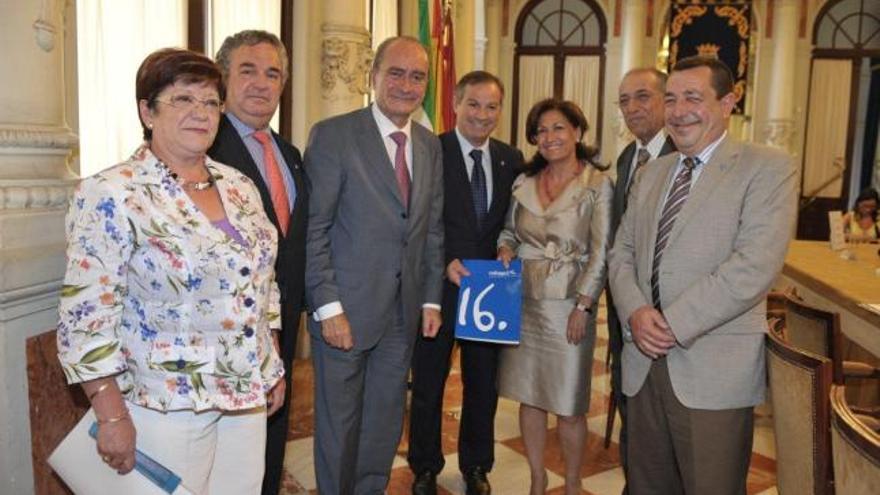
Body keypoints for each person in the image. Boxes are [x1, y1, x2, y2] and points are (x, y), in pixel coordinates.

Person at [56, 48, 285, 494]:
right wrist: (111, 414)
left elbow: (263, 281)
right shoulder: (112, 193)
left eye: (211, 102)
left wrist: (270, 362)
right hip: (164, 404)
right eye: (183, 100)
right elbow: (85, 318)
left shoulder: (239, 186)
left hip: (244, 400)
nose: (201, 113)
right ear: (147, 110)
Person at [608, 56, 797, 495]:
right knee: (646, 486)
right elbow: (622, 252)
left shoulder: (767, 167)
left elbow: (754, 265)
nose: (678, 110)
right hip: (641, 363)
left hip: (712, 368)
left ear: (728, 102)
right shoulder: (651, 172)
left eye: (693, 97)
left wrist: (672, 324)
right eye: (670, 99)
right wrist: (635, 310)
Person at [304, 36, 444, 494]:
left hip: (401, 317)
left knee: (384, 425)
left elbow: (431, 229)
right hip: (346, 313)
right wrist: (328, 309)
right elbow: (315, 229)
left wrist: (430, 300)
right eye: (396, 73)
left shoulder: (428, 145)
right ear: (373, 77)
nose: (406, 84)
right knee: (339, 427)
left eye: (417, 76)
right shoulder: (335, 135)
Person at [408, 70, 523, 495]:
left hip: (490, 294)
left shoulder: (512, 159)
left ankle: (477, 467)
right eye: (473, 104)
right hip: (438, 291)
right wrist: (441, 265)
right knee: (428, 384)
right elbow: (418, 223)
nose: (482, 114)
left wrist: (510, 247)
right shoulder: (430, 151)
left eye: (491, 106)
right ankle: (424, 466)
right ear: (456, 103)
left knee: (482, 386)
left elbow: (516, 222)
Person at [207, 29, 307, 495]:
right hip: (221, 331)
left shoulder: (289, 153)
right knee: (223, 451)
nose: (261, 83)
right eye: (247, 70)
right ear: (222, 77)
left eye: (273, 73)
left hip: (280, 320)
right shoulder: (201, 147)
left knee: (272, 430)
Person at [496, 98, 612, 495]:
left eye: (558, 128)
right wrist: (505, 249)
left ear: (577, 132)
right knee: (528, 396)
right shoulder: (523, 182)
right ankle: (536, 476)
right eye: (541, 130)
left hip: (567, 305)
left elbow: (601, 252)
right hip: (522, 300)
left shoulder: (597, 185)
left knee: (568, 404)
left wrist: (584, 304)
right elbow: (509, 231)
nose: (550, 137)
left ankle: (574, 483)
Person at [608, 67, 676, 485]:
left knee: (663, 417)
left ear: (666, 99)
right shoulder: (627, 157)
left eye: (643, 97)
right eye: (624, 101)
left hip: (665, 317)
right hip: (624, 307)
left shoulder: (680, 154)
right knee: (630, 400)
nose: (632, 108)